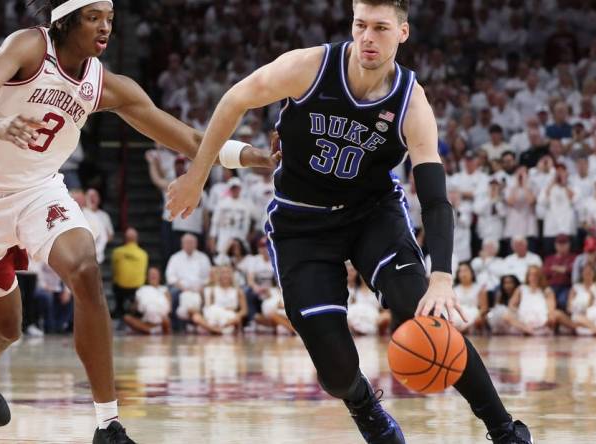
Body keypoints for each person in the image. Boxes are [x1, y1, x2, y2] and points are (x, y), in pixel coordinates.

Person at [166, 1, 532, 442]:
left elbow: (435, 199)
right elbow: (235, 99)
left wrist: (441, 277)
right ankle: (365, 407)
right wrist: (196, 175)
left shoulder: (411, 101)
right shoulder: (309, 67)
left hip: (370, 215)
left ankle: (504, 430)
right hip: (301, 224)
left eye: (380, 28)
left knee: (427, 314)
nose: (368, 37)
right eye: (361, 25)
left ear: (403, 33)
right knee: (337, 371)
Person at [0, 1, 276, 442]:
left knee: (86, 269)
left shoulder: (105, 84)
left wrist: (251, 157)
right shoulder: (29, 47)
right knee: (7, 328)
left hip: (37, 189)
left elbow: (191, 138)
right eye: (94, 17)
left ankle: (107, 423)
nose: (105, 28)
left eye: (110, 19)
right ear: (66, 20)